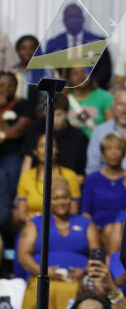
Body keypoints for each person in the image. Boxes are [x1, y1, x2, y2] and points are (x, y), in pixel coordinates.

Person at [18, 176, 100, 309]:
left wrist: (84, 272)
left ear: (71, 200)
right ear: (48, 201)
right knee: (43, 290)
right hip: (43, 281)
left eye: (65, 197)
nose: (61, 202)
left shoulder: (85, 223)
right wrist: (43, 272)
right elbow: (23, 255)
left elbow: (96, 255)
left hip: (77, 282)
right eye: (56, 198)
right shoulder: (36, 223)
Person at [15, 133, 81, 224]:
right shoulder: (26, 177)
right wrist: (35, 224)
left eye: (51, 145)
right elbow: (21, 214)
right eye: (42, 146)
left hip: (62, 226)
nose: (47, 150)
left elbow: (74, 211)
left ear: (56, 150)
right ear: (35, 151)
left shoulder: (70, 175)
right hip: (33, 226)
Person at [20, 93, 88, 179]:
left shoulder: (79, 137)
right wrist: (23, 188)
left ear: (67, 112)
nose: (54, 120)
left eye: (59, 115)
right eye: (50, 114)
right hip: (38, 184)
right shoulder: (37, 129)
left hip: (67, 186)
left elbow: (81, 174)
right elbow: (28, 159)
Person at [45, 3, 112, 90]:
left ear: (82, 19)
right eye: (69, 17)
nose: (73, 20)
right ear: (64, 21)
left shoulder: (98, 42)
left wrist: (90, 85)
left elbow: (105, 71)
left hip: (91, 90)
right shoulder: (53, 43)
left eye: (76, 16)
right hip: (63, 91)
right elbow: (49, 70)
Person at [0, 70, 35, 226]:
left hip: (13, 154)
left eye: (10, 84)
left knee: (8, 173)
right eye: (1, 84)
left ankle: (6, 220)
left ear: (16, 86)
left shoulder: (23, 106)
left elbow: (12, 133)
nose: (6, 88)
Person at [81, 133, 126, 242]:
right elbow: (85, 211)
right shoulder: (92, 179)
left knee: (110, 230)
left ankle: (108, 258)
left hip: (122, 231)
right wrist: (92, 229)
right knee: (107, 231)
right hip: (95, 230)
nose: (113, 153)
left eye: (118, 148)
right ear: (103, 153)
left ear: (124, 152)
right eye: (109, 148)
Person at [64, 66, 114, 138]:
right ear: (69, 78)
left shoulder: (105, 97)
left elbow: (111, 128)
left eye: (85, 72)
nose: (81, 76)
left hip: (98, 144)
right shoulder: (63, 98)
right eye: (75, 73)